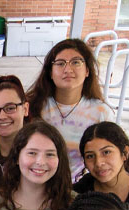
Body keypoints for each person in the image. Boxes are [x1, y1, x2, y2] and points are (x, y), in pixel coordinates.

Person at [27, 39, 115, 180]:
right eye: (60, 63)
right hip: (35, 183)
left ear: (87, 70)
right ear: (50, 72)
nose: (68, 69)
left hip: (77, 188)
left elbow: (112, 159)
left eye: (76, 62)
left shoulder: (101, 113)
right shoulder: (32, 106)